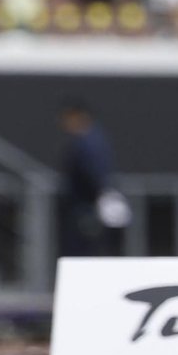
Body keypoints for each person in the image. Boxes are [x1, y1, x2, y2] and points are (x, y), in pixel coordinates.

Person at [58, 98, 126, 256]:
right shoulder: (90, 139)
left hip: (85, 208)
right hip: (86, 206)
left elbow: (95, 175)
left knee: (84, 252)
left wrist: (96, 200)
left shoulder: (87, 141)